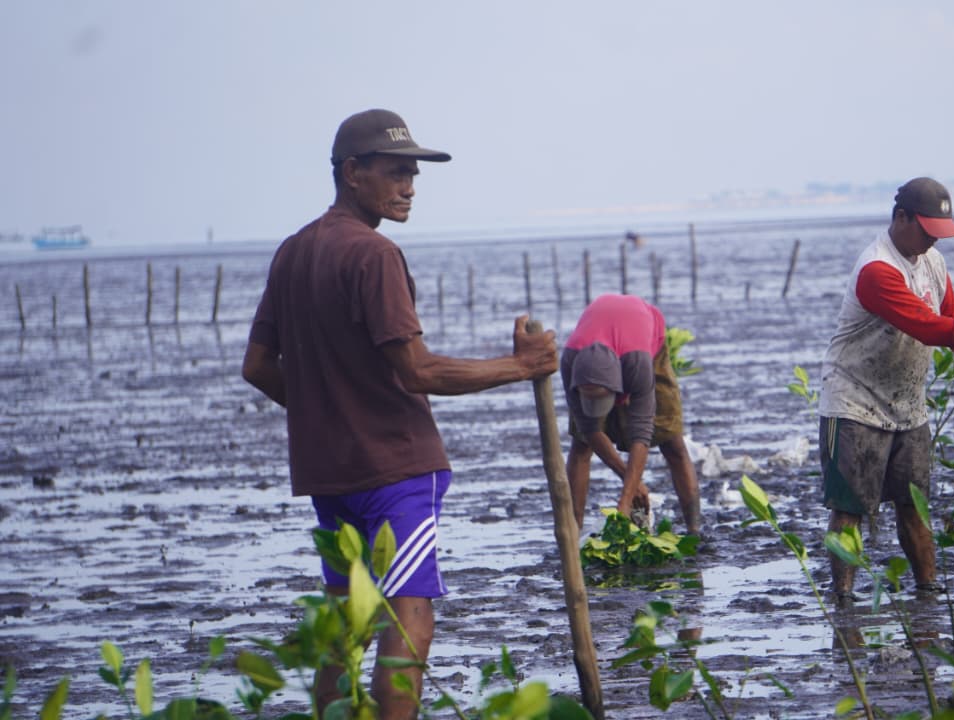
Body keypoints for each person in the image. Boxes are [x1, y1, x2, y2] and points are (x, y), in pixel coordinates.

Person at [240, 108, 558, 720]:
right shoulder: (374, 254)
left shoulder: (292, 252)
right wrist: (520, 366)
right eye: (395, 172)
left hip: (330, 474)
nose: (409, 187)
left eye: (413, 174)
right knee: (408, 613)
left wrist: (329, 413)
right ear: (352, 173)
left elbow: (258, 366)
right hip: (396, 472)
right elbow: (417, 370)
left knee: (345, 620)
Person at [817, 176, 954, 602]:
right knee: (850, 509)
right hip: (853, 402)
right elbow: (929, 328)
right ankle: (843, 598)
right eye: (927, 231)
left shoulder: (933, 263)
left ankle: (928, 590)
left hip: (907, 405)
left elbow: (952, 320)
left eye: (939, 233)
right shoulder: (876, 270)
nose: (934, 242)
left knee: (915, 505)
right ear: (901, 218)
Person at [561, 293, 701, 535]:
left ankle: (695, 529)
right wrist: (631, 480)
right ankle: (572, 533)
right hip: (596, 344)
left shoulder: (637, 363)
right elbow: (589, 429)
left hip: (645, 340)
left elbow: (641, 433)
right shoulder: (570, 364)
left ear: (618, 386)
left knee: (672, 441)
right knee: (581, 445)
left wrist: (625, 502)